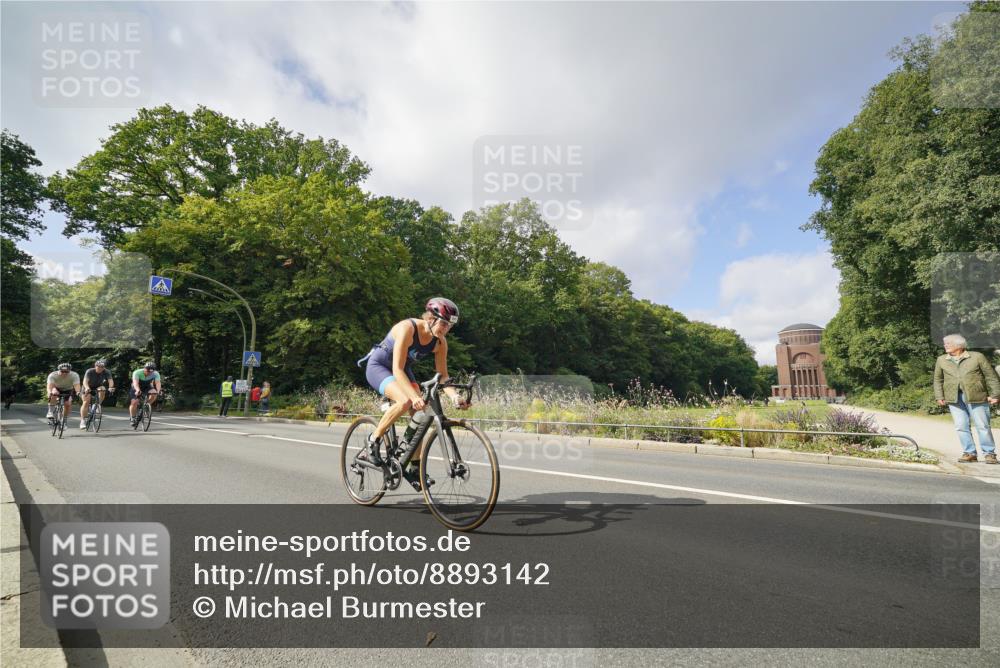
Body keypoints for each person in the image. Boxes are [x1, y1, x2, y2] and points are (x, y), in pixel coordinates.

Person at [357, 297, 469, 490]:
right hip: (380, 366)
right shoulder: (408, 328)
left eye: (449, 326)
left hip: (401, 370)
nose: (445, 330)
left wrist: (455, 397)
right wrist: (414, 396)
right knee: (406, 401)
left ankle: (414, 467)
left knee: (422, 415)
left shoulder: (440, 343)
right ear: (430, 318)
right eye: (443, 323)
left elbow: (443, 376)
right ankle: (373, 439)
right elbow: (397, 369)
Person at [934, 334, 1000, 464]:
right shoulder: (942, 360)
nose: (945, 346)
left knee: (982, 426)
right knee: (961, 426)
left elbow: (991, 376)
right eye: (945, 343)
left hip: (977, 396)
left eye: (948, 343)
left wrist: (995, 394)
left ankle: (989, 454)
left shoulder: (977, 357)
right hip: (954, 398)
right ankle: (969, 453)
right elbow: (938, 379)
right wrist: (939, 396)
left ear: (959, 345)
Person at [80, 359, 115, 429]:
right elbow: (85, 381)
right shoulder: (90, 371)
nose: (100, 368)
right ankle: (82, 421)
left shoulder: (107, 372)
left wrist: (111, 387)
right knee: (86, 402)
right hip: (87, 387)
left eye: (102, 367)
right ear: (95, 366)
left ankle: (98, 404)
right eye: (98, 366)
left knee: (103, 388)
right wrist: (87, 388)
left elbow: (110, 381)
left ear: (104, 367)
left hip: (98, 386)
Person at [129, 362, 161, 426]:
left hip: (147, 386)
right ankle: (132, 418)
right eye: (147, 371)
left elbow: (157, 383)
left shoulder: (156, 373)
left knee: (154, 393)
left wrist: (158, 391)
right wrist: (138, 390)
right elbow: (135, 383)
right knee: (134, 402)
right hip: (137, 386)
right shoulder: (137, 372)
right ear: (144, 368)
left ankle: (146, 406)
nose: (149, 373)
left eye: (151, 372)